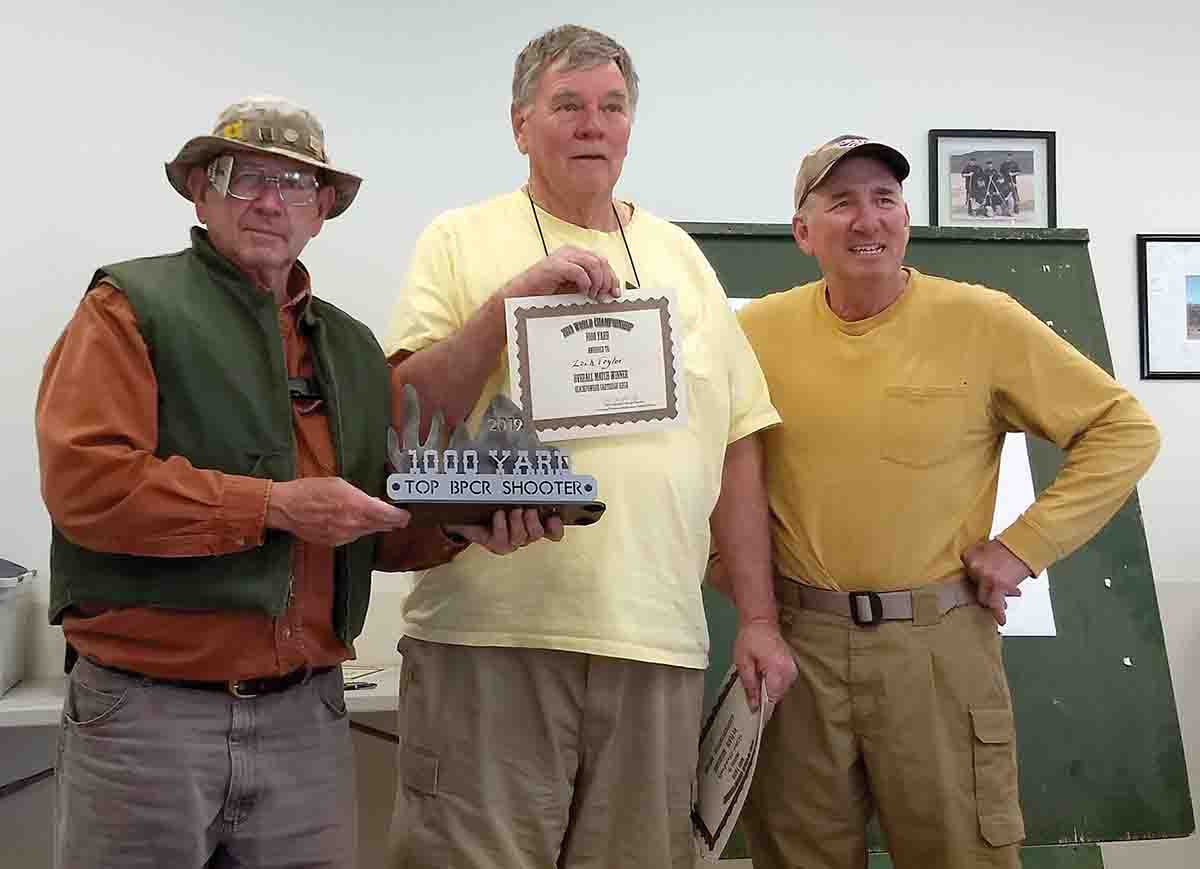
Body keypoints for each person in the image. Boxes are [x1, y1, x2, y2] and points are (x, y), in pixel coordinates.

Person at [36, 95, 544, 869]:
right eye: (242, 177)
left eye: (297, 183)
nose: (270, 200)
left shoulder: (350, 348)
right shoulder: (127, 309)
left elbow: (371, 523)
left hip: (307, 717)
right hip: (145, 717)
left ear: (323, 210)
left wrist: (458, 528)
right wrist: (275, 507)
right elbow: (89, 484)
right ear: (201, 193)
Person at [383, 24, 797, 869]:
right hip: (489, 639)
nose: (591, 124)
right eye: (566, 105)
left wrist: (757, 617)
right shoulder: (459, 238)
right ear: (519, 124)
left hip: (657, 644)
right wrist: (507, 306)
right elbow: (404, 417)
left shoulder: (682, 257)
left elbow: (739, 444)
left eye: (611, 106)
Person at [723, 134, 1160, 868]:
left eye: (885, 199)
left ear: (906, 218)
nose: (868, 219)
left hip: (938, 648)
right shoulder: (754, 334)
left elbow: (1123, 430)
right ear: (803, 232)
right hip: (797, 649)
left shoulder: (981, 320)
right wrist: (745, 593)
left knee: (961, 855)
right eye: (842, 202)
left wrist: (1024, 547)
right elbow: (713, 469)